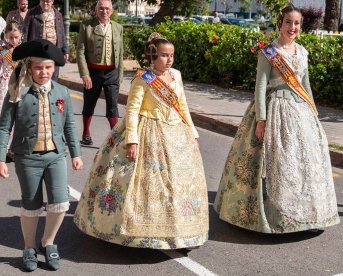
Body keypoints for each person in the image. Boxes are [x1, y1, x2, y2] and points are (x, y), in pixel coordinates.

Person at [74, 32, 209, 250]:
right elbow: (133, 110)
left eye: (171, 55)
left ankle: (182, 232)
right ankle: (139, 230)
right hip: (148, 131)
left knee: (178, 183)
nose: (169, 60)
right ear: (152, 57)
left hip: (176, 133)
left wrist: (192, 133)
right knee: (148, 183)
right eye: (164, 56)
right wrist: (132, 140)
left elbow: (183, 106)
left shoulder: (176, 75)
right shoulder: (142, 78)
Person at [214, 5, 340, 234]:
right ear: (280, 24)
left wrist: (314, 113)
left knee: (305, 162)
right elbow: (260, 87)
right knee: (278, 162)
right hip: (276, 110)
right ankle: (274, 215)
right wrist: (261, 120)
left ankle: (308, 214)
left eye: (297, 23)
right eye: (289, 23)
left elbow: (306, 85)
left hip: (301, 111)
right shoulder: (268, 52)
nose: (293, 27)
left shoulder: (302, 52)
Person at [0, 39, 83, 271]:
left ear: (54, 68)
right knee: (31, 204)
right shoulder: (17, 91)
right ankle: (29, 247)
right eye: (38, 67)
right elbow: (4, 127)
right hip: (27, 158)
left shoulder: (63, 92)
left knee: (60, 203)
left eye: (48, 67)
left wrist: (76, 153)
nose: (44, 72)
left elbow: (69, 127)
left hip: (55, 155)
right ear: (29, 67)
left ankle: (48, 242)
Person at [76, 0, 123, 146]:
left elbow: (120, 53)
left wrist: (119, 75)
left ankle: (114, 138)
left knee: (112, 106)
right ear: (96, 10)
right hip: (92, 72)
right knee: (89, 103)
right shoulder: (86, 26)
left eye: (107, 9)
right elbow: (80, 51)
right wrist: (84, 74)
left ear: (112, 11)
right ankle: (86, 133)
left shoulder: (118, 27)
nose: (104, 11)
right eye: (101, 8)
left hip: (111, 72)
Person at [22, 0, 68, 80]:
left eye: (48, 1)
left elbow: (62, 33)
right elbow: (25, 33)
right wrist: (24, 51)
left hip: (55, 51)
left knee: (53, 78)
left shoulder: (58, 14)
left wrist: (65, 50)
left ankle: (52, 92)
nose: (45, 3)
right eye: (43, 1)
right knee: (37, 77)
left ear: (52, 1)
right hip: (37, 52)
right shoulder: (31, 13)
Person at [0, 21, 22, 161]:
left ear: (20, 36)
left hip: (18, 86)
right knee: (3, 115)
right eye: (11, 37)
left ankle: (11, 148)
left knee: (16, 116)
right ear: (6, 36)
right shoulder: (2, 51)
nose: (14, 40)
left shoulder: (23, 50)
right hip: (3, 85)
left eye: (16, 37)